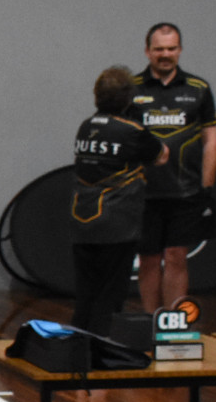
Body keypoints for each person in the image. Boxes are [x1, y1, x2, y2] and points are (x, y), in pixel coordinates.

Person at [127, 23, 216, 312]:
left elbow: (211, 141)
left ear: (179, 50)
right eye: (159, 49)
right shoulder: (131, 89)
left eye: (171, 48)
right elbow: (124, 140)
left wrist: (207, 187)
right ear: (147, 51)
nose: (165, 54)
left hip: (186, 192)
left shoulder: (199, 89)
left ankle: (172, 324)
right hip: (143, 192)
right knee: (150, 259)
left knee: (177, 255)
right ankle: (149, 321)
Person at [71, 67, 165, 336]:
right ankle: (102, 353)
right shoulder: (132, 131)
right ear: (128, 98)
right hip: (116, 225)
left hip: (82, 221)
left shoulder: (86, 126)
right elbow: (161, 155)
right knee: (110, 296)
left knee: (85, 294)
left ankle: (77, 352)